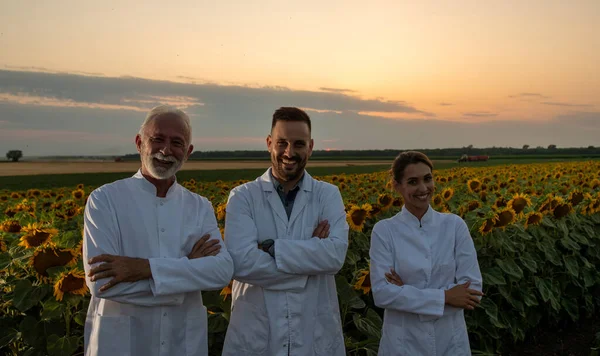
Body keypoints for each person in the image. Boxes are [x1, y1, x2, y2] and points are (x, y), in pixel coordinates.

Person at [82, 105, 234, 356]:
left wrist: (143, 269)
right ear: (139, 142)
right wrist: (188, 271)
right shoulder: (105, 200)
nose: (166, 150)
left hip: (181, 343)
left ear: (188, 152)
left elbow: (221, 272)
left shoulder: (199, 206)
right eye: (157, 139)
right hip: (122, 344)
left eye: (177, 142)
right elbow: (103, 283)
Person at [221, 107, 349, 356]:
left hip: (314, 334)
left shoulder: (328, 195)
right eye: (282, 142)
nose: (289, 152)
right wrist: (310, 265)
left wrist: (271, 248)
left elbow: (334, 256)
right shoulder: (243, 197)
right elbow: (241, 262)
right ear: (270, 143)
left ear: (310, 147)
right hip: (256, 334)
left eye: (298, 144)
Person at [369, 151, 484, 356]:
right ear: (397, 186)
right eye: (412, 182)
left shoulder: (454, 226)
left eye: (427, 179)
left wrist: (406, 293)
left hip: (450, 341)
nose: (423, 188)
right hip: (403, 343)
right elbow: (383, 294)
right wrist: (446, 296)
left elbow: (472, 292)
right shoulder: (384, 230)